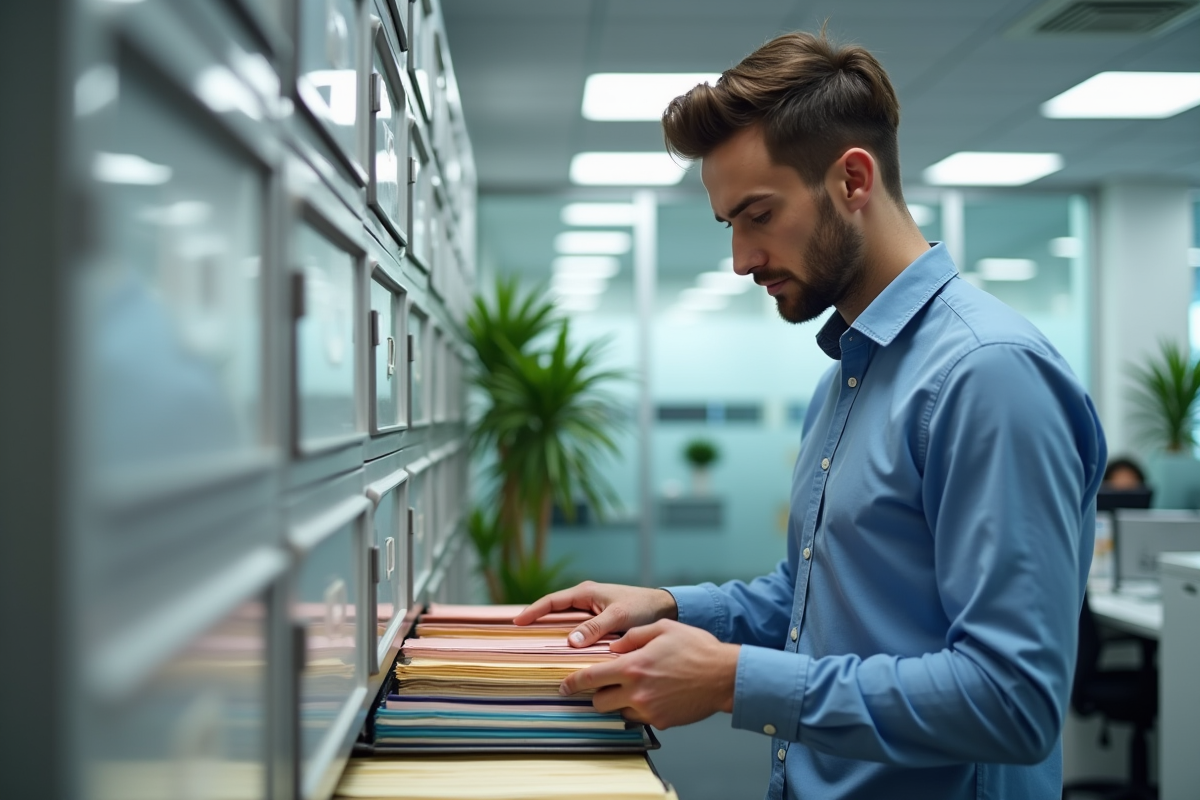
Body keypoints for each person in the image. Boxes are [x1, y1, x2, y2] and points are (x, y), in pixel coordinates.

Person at [516, 30, 1106, 800]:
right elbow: (813, 602)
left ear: (852, 179)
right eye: (730, 224)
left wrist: (734, 681)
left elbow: (1011, 700)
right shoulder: (849, 378)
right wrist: (668, 607)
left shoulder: (987, 374)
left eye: (758, 215)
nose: (741, 259)